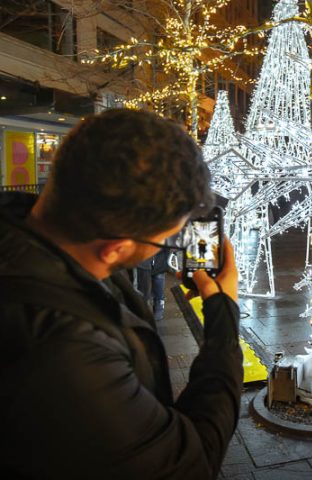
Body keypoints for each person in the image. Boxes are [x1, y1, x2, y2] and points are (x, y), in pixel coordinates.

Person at [0, 109, 243, 479]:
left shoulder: (23, 232)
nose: (168, 245)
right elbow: (192, 462)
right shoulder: (64, 353)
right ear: (114, 249)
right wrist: (223, 319)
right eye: (164, 240)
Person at [136, 248, 172, 321]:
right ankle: (144, 304)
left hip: (160, 250)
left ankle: (159, 303)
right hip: (143, 252)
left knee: (158, 275)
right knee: (143, 278)